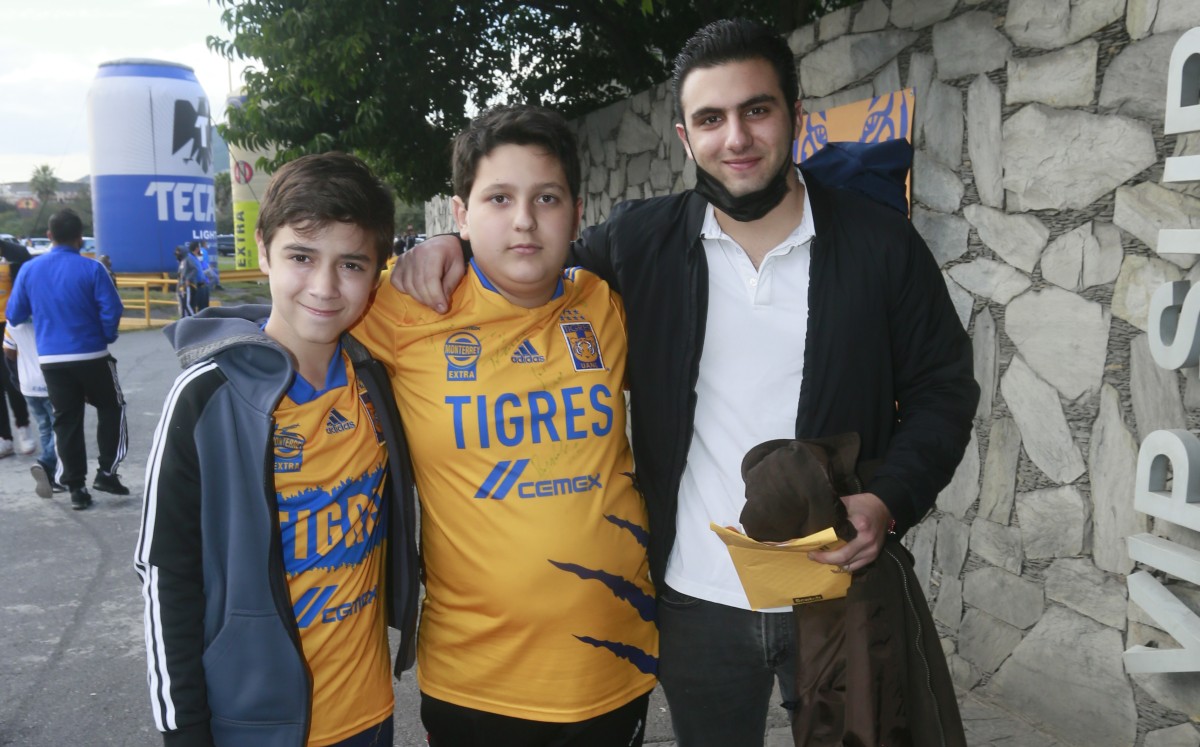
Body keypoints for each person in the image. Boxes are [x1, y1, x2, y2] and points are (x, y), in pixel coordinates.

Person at [395, 18, 978, 747]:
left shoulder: (879, 243)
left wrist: (890, 497)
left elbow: (944, 388)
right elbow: (530, 255)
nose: (735, 137)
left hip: (833, 586)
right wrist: (449, 242)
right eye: (711, 118)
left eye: (756, 110)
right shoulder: (639, 245)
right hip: (693, 603)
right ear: (684, 136)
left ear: (794, 115)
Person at [353, 104, 657, 746]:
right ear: (460, 214)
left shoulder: (603, 305)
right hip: (476, 682)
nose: (524, 220)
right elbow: (298, 314)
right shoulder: (406, 307)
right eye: (498, 198)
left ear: (577, 210)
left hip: (615, 665)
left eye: (546, 197)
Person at [134, 152, 420, 747]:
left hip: (368, 713)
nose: (324, 286)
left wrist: (447, 244)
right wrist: (184, 733)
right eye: (301, 257)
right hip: (253, 725)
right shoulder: (205, 396)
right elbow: (167, 577)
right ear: (263, 251)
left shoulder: (377, 379)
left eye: (351, 264)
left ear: (376, 272)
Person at [6, 208, 128, 511]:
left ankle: (76, 489)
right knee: (112, 407)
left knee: (66, 421)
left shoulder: (30, 270)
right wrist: (105, 335)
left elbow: (15, 314)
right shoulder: (93, 269)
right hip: (92, 354)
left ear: (49, 236)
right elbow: (112, 310)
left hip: (52, 360)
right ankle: (107, 472)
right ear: (79, 238)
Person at [4, 320, 63, 497]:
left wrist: (16, 377)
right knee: (61, 427)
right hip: (50, 381)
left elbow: (8, 351)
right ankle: (47, 464)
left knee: (45, 427)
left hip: (28, 384)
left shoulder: (12, 323)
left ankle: (50, 476)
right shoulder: (45, 317)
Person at [0, 237, 36, 457]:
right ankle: (4, 437)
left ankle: (23, 427)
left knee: (12, 378)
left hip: (12, 324)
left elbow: (32, 284)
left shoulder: (16, 253)